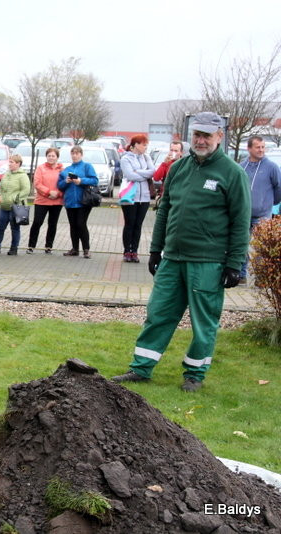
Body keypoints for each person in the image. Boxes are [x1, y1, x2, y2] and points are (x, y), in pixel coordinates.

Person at [112, 112, 250, 392]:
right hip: (173, 258)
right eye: (197, 134)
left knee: (203, 321)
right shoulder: (178, 168)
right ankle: (141, 368)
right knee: (158, 312)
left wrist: (234, 263)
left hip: (208, 261)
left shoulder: (232, 173)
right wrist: (155, 250)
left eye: (206, 136)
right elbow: (164, 211)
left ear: (219, 137)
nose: (200, 140)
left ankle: (195, 375)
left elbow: (240, 221)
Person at [238, 135, 281, 283]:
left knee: (260, 248)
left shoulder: (272, 167)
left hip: (262, 215)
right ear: (249, 148)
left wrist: (269, 203)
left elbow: (278, 188)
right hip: (243, 214)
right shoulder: (241, 167)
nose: (261, 150)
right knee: (242, 244)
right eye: (258, 147)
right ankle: (241, 275)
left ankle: (261, 277)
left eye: (263, 147)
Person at [119, 134, 156, 263]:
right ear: (135, 145)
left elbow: (153, 171)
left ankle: (134, 250)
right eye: (143, 144)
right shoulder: (125, 159)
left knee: (138, 225)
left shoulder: (146, 157)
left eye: (146, 145)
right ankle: (127, 250)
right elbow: (130, 176)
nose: (145, 147)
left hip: (144, 197)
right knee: (129, 224)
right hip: (130, 196)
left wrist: (138, 172)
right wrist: (143, 174)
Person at [58, 145, 98, 259]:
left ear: (81, 155)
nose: (75, 156)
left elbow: (94, 180)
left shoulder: (87, 166)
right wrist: (66, 181)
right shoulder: (66, 170)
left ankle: (86, 249)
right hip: (70, 201)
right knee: (73, 225)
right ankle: (75, 248)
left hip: (83, 201)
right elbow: (60, 186)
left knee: (81, 224)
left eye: (77, 153)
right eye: (73, 153)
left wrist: (81, 181)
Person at [0, 154, 30, 255]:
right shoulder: (6, 174)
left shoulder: (23, 176)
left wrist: (15, 198)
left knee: (14, 228)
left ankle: (14, 248)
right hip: (3, 206)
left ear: (18, 164)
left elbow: (26, 190)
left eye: (12, 162)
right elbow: (1, 187)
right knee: (0, 227)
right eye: (9, 162)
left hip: (15, 206)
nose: (9, 164)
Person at [27, 147, 64, 254]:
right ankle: (31, 245)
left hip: (56, 201)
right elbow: (37, 183)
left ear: (57, 157)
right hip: (42, 200)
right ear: (46, 156)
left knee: (52, 224)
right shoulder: (40, 168)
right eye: (49, 156)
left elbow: (65, 184)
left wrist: (58, 193)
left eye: (53, 156)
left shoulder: (62, 170)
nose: (51, 158)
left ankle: (49, 246)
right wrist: (49, 192)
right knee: (37, 222)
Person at [152, 141, 184, 205]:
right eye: (171, 150)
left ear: (181, 152)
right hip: (165, 197)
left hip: (179, 198)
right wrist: (164, 163)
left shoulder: (184, 164)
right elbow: (156, 178)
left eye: (176, 151)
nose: (173, 152)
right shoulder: (166, 163)